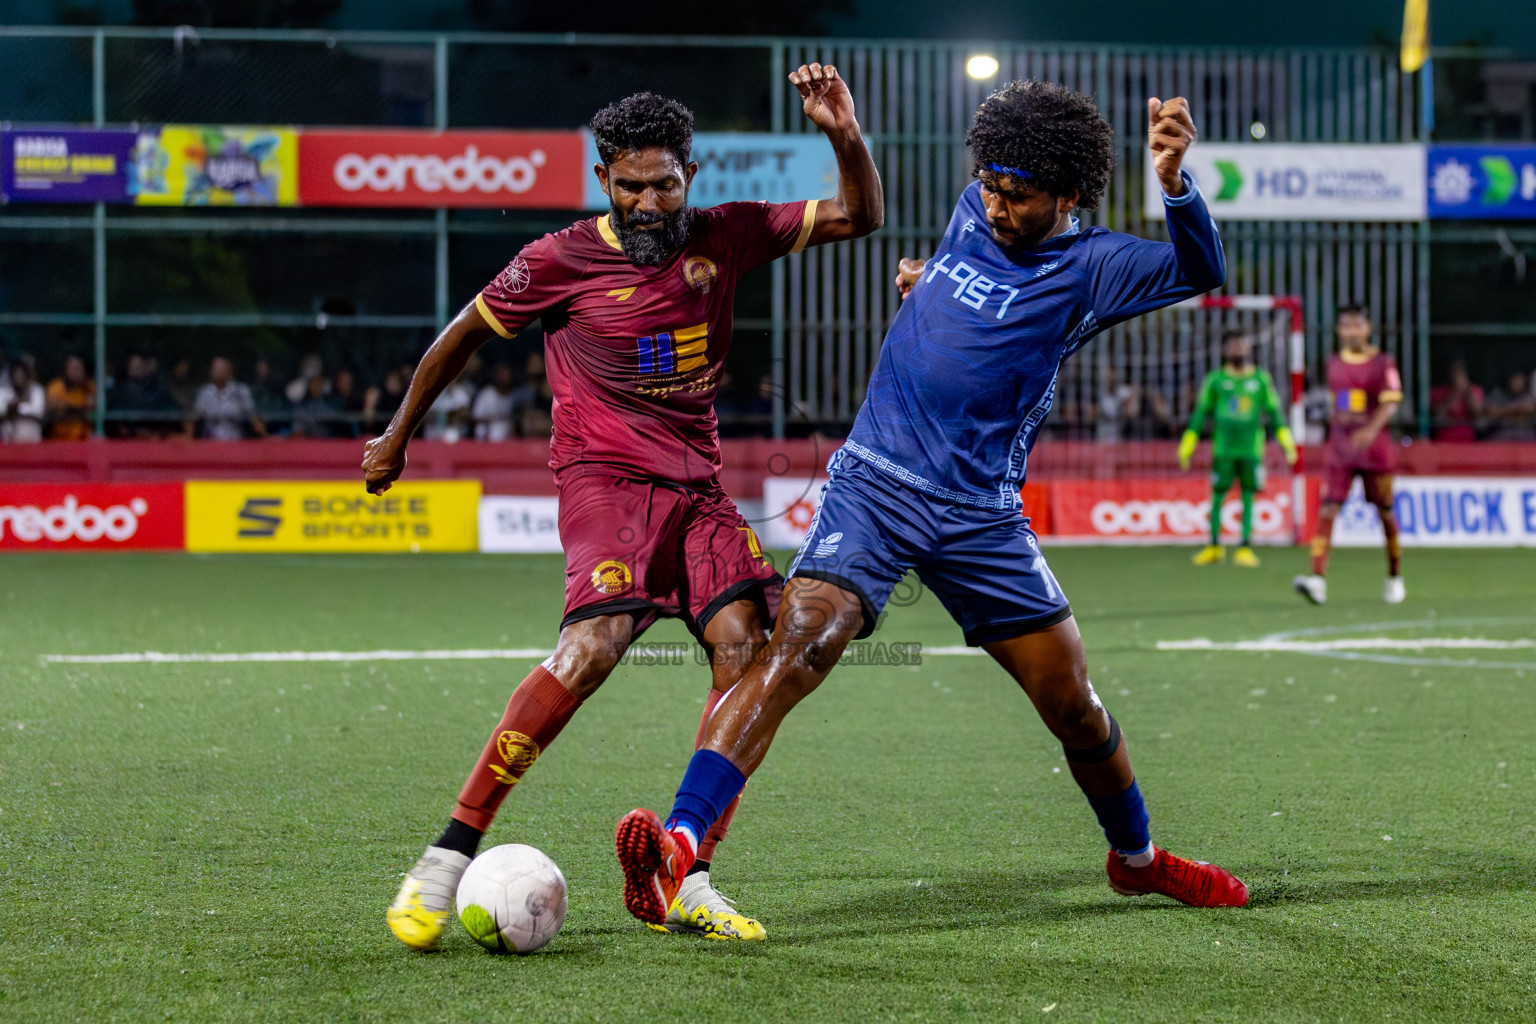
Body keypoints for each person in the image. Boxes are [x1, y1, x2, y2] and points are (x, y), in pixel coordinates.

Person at [615, 82, 1248, 933]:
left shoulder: (1094, 264)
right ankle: (681, 845)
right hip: (874, 481)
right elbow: (947, 289)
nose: (993, 203)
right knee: (801, 641)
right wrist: (921, 280)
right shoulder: (971, 211)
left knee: (1073, 704)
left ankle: (1136, 863)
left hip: (981, 514)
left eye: (1017, 195)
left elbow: (1200, 269)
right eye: (986, 183)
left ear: (1067, 196)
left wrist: (1172, 181)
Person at [363, 68, 881, 949]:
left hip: (700, 490)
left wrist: (844, 133)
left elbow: (858, 217)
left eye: (665, 184)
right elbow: (459, 339)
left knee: (745, 654)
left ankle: (692, 877)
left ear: (691, 174)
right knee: (595, 647)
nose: (649, 203)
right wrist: (398, 433)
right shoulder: (556, 261)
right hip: (606, 482)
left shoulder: (730, 233)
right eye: (631, 186)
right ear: (605, 179)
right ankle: (447, 859)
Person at [1292, 305, 1404, 606]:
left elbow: (1391, 403)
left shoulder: (1383, 363)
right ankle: (1317, 580)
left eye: (1357, 325)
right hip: (1340, 450)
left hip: (1375, 450)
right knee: (1328, 511)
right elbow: (1334, 403)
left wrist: (1370, 430)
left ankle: (1394, 577)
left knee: (1384, 513)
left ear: (1368, 329)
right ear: (1339, 331)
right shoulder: (1333, 364)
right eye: (1346, 326)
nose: (1352, 332)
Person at [1179, 331, 1298, 567]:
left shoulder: (1261, 380)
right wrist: (1189, 441)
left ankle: (1244, 547)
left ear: (1248, 349)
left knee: (1248, 497)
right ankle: (1213, 545)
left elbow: (1274, 412)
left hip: (1251, 450)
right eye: (1232, 346)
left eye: (1240, 345)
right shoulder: (1216, 380)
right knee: (1217, 497)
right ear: (1225, 351)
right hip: (1222, 449)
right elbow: (1201, 412)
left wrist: (1286, 440)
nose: (1237, 350)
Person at [186, 356, 266, 440]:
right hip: (209, 443)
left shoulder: (240, 390)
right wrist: (187, 437)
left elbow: (253, 417)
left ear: (228, 371)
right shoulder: (205, 392)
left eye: (217, 369)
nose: (213, 372)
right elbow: (194, 417)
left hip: (235, 443)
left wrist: (265, 436)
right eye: (213, 369)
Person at [107, 352, 177, 438]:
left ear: (145, 366)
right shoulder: (118, 390)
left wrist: (156, 433)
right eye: (132, 366)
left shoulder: (157, 390)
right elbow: (113, 419)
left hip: (155, 439)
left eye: (138, 366)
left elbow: (173, 413)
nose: (135, 369)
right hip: (126, 440)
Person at [1429, 359, 1483, 442]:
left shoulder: (1474, 389)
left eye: (1461, 372)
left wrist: (1467, 392)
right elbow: (1438, 413)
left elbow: (1478, 412)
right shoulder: (1440, 391)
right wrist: (1455, 393)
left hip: (1468, 438)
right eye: (1455, 372)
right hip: (1444, 437)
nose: (1457, 375)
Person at [45, 354, 96, 440]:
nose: (75, 372)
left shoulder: (88, 387)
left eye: (78, 368)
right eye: (72, 368)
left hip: (82, 442)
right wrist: (75, 408)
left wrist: (69, 407)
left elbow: (89, 406)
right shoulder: (55, 387)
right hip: (57, 441)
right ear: (65, 369)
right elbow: (51, 406)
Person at [0, 358, 46, 443]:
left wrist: (16, 408)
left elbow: (38, 412)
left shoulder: (36, 390)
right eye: (15, 374)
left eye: (21, 374)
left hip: (31, 442)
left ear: (27, 376)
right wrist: (10, 410)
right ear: (10, 376)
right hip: (8, 442)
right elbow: (1, 411)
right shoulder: (3, 391)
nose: (18, 377)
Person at [472, 362, 517, 441]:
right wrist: (494, 419)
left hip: (507, 440)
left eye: (506, 374)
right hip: (485, 438)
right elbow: (475, 418)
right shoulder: (486, 394)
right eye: (501, 374)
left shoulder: (515, 396)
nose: (503, 377)